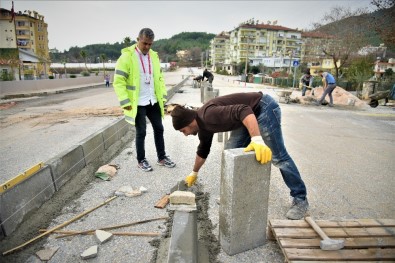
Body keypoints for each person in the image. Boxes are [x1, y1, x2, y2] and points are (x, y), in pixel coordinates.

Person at [170, 92, 309, 220]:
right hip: (246, 117)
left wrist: (257, 139)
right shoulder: (203, 127)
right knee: (231, 151)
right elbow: (203, 150)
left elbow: (244, 110)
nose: (186, 134)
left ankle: (300, 199)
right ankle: (232, 195)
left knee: (279, 158)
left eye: (184, 130)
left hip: (263, 108)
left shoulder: (208, 116)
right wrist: (194, 173)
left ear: (190, 122)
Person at [113, 28, 176, 172]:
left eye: (150, 44)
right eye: (144, 43)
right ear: (138, 40)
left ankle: (162, 157)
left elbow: (159, 79)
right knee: (141, 132)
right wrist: (125, 101)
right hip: (138, 102)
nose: (147, 47)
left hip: (152, 100)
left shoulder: (154, 56)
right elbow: (118, 81)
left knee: (159, 129)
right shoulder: (127, 57)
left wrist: (163, 97)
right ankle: (141, 160)